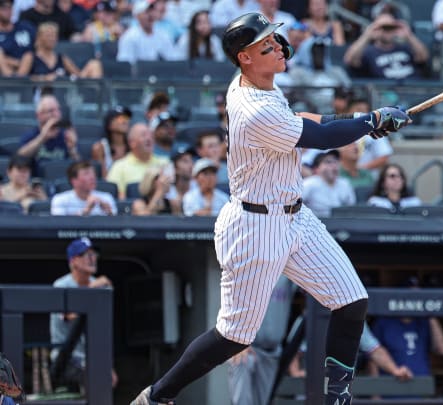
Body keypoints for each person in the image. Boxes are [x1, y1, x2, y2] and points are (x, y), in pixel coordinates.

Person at [130, 12, 410, 405]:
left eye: (276, 40)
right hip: (254, 226)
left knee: (352, 301)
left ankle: (337, 398)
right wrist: (369, 121)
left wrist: (364, 123)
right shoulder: (252, 108)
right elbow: (321, 136)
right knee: (234, 337)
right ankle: (158, 396)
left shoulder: (263, 85)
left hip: (295, 216)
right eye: (267, 45)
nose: (278, 47)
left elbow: (307, 121)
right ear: (244, 57)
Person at [50, 238, 117, 391]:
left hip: (90, 358)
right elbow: (70, 315)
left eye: (94, 254)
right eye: (86, 255)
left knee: (105, 382)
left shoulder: (99, 286)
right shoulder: (61, 285)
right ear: (74, 261)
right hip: (65, 359)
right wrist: (92, 290)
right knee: (92, 381)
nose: (92, 259)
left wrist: (108, 366)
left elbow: (102, 331)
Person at [226, 275, 296, 405]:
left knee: (262, 402)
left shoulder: (288, 271)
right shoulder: (253, 265)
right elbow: (231, 298)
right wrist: (237, 339)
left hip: (272, 351)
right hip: (246, 347)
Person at [370, 276, 443, 391]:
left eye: (418, 296)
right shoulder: (384, 322)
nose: (415, 299)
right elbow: (373, 357)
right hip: (390, 389)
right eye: (412, 295)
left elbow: (442, 350)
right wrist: (375, 394)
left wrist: (430, 312)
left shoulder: (425, 321)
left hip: (420, 389)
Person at [343, 11, 429, 80]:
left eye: (391, 27)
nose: (387, 31)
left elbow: (423, 57)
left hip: (413, 90)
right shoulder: (368, 52)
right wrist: (367, 35)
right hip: (383, 94)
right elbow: (350, 60)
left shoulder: (406, 47)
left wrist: (409, 35)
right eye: (383, 27)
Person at [16, 21, 102, 80]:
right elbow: (20, 80)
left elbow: (78, 77)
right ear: (39, 37)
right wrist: (44, 78)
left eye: (54, 35)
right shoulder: (30, 57)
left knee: (94, 64)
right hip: (38, 97)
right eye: (48, 35)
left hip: (61, 96)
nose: (52, 38)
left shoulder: (61, 58)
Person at [17, 94, 80, 176]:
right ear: (39, 115)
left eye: (58, 110)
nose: (56, 114)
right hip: (38, 182)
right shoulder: (31, 135)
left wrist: (72, 149)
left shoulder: (66, 135)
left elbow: (79, 167)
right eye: (51, 111)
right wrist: (42, 138)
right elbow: (19, 158)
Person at [106, 122, 170, 200]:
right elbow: (119, 201)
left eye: (150, 135)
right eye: (143, 135)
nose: (149, 138)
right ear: (132, 143)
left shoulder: (165, 162)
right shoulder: (119, 167)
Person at [302, 149, 356, 217]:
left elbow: (351, 208)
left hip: (341, 224)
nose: (333, 165)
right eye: (328, 162)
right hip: (315, 223)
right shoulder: (309, 183)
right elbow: (296, 205)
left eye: (336, 161)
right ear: (316, 169)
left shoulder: (345, 183)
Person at [50, 160, 117, 216]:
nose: (92, 177)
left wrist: (109, 214)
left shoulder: (106, 198)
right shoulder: (60, 200)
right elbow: (58, 225)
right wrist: (85, 211)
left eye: (93, 173)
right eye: (86, 174)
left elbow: (117, 226)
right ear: (74, 181)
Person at [90, 105, 132, 179]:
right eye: (120, 118)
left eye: (126, 118)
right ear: (109, 124)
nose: (125, 121)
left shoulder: (134, 145)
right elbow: (104, 179)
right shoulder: (100, 148)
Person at [0, 0, 36, 77]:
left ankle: (17, 81)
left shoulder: (25, 27)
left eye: (10, 7)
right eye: (4, 8)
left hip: (30, 72)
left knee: (28, 55)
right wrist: (15, 62)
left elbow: (39, 48)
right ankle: (13, 82)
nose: (8, 11)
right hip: (2, 75)